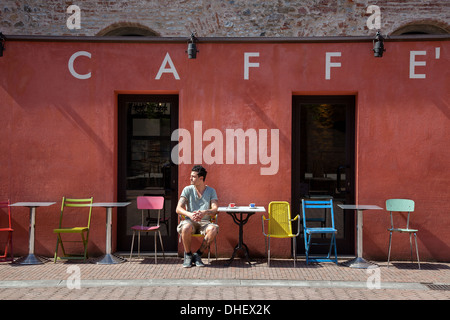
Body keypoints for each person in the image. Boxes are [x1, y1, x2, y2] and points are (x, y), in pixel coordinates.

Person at [176, 165, 219, 267]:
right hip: (190, 221)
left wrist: (205, 212)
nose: (190, 178)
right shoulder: (187, 189)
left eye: (193, 176)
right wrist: (190, 214)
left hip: (205, 223)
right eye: (191, 176)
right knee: (186, 227)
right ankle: (188, 255)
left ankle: (198, 255)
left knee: (213, 229)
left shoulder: (211, 191)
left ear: (201, 178)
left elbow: (215, 209)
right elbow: (178, 208)